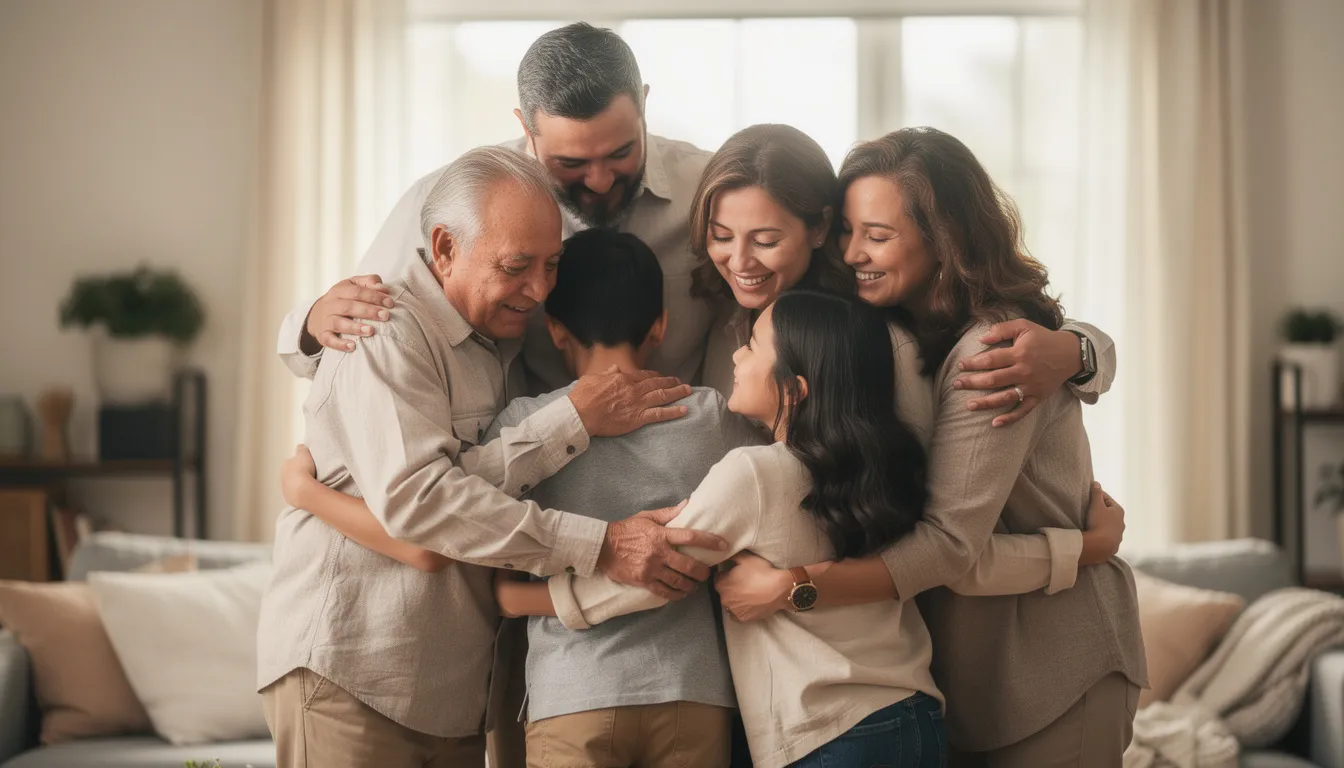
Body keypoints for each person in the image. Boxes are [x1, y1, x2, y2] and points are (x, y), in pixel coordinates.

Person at [504, 290, 1125, 768]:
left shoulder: (749, 473)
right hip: (911, 715)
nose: (736, 355)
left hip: (829, 734)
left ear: (794, 388)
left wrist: (530, 599)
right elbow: (959, 557)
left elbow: (657, 570)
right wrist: (1084, 547)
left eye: (753, 346)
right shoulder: (888, 461)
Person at [256, 148, 727, 768]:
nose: (538, 291)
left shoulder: (494, 342)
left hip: (449, 693)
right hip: (356, 666)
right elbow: (422, 506)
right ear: (445, 249)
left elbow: (447, 493)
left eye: (552, 265)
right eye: (516, 267)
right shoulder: (385, 331)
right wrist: (602, 543)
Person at [714, 128, 1147, 767]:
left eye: (880, 236)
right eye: (849, 232)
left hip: (1050, 666)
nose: (856, 252)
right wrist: (1082, 349)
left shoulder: (991, 352)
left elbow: (948, 547)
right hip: (956, 678)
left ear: (944, 242)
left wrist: (793, 587)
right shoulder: (867, 325)